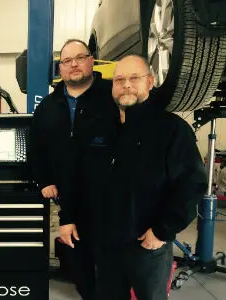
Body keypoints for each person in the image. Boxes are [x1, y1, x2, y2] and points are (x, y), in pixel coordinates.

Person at [62, 54, 208, 300]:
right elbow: (76, 178)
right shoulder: (96, 129)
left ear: (150, 82)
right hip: (104, 244)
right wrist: (68, 217)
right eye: (119, 80)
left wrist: (162, 231)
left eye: (134, 78)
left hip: (147, 244)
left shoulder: (171, 129)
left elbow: (191, 185)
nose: (126, 85)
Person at [30, 39, 114, 299]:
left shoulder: (111, 95)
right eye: (67, 61)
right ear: (60, 69)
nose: (74, 64)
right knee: (82, 269)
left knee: (113, 270)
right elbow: (36, 148)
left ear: (92, 61)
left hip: (112, 200)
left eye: (80, 57)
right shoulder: (47, 106)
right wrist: (43, 180)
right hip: (71, 202)